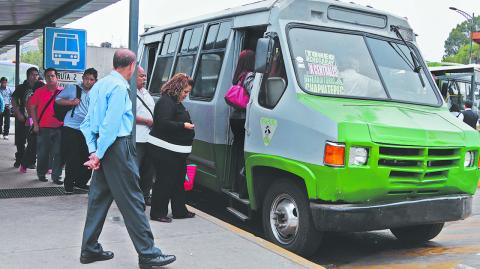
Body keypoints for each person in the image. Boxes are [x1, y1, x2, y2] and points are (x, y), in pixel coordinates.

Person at [79, 49, 175, 267]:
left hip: (103, 150)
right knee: (133, 200)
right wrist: (99, 154)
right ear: (131, 66)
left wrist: (94, 151)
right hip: (116, 149)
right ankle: (148, 254)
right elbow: (111, 127)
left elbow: (87, 124)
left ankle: (89, 249)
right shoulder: (120, 88)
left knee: (98, 200)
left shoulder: (99, 86)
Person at [147, 73, 195, 223]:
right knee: (165, 181)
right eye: (185, 92)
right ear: (177, 88)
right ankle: (157, 213)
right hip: (164, 151)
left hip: (176, 152)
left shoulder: (175, 102)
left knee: (178, 181)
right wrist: (183, 125)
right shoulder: (165, 102)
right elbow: (162, 124)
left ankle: (179, 210)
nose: (186, 95)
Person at [56, 68, 98, 194]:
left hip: (88, 129)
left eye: (91, 79)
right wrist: (71, 102)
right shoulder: (73, 88)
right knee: (73, 157)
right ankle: (68, 184)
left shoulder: (97, 92)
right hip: (71, 127)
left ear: (95, 81)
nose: (88, 82)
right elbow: (57, 100)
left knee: (87, 156)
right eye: (86, 78)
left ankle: (81, 182)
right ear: (83, 78)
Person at [29, 68, 64, 183]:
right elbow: (32, 107)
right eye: (48, 76)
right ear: (45, 78)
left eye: (52, 76)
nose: (50, 78)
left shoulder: (63, 91)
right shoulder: (40, 91)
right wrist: (35, 124)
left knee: (59, 153)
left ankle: (56, 176)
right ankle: (41, 173)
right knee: (43, 153)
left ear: (57, 77)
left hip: (60, 127)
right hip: (43, 127)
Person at [229, 49, 255, 198]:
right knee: (244, 154)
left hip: (234, 117)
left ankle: (236, 185)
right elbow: (253, 93)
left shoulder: (238, 75)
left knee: (238, 151)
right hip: (243, 118)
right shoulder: (249, 75)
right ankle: (242, 189)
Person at [11, 67, 43, 168]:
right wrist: (18, 113)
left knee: (33, 141)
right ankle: (19, 159)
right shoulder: (21, 87)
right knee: (20, 141)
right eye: (33, 74)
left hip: (36, 119)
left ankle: (31, 161)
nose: (35, 76)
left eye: (37, 74)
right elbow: (14, 100)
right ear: (28, 76)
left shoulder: (41, 86)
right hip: (23, 118)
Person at [135, 66, 155, 206]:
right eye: (141, 76)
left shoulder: (146, 93)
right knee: (135, 170)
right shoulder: (129, 93)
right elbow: (128, 115)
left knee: (149, 169)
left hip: (150, 138)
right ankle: (135, 198)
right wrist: (147, 121)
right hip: (137, 138)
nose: (144, 78)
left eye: (145, 76)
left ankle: (145, 194)